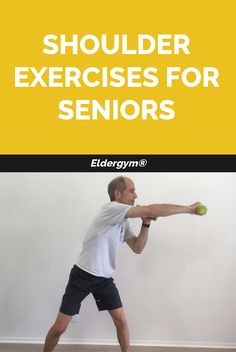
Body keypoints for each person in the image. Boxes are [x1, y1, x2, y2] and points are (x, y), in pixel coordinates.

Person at [43, 176, 201, 352]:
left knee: (121, 320)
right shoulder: (111, 209)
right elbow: (150, 208)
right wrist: (189, 209)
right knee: (60, 327)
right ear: (118, 193)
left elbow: (137, 247)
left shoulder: (122, 221)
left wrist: (146, 223)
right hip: (83, 275)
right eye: (131, 191)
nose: (136, 195)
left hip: (104, 278)